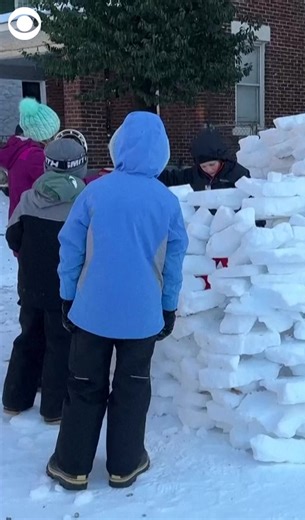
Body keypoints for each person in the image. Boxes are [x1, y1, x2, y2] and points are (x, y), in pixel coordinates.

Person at [46, 112, 188, 491]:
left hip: (91, 311)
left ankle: (71, 466)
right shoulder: (167, 202)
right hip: (142, 316)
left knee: (83, 385)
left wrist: (66, 296)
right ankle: (124, 465)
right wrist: (168, 307)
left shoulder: (94, 191)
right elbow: (173, 262)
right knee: (133, 387)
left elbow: (71, 249)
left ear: (119, 144)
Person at [2, 138, 88, 423]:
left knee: (28, 338)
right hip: (63, 288)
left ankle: (15, 399)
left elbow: (13, 235)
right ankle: (53, 409)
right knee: (59, 343)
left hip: (30, 285)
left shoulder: (29, 197)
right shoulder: (84, 201)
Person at [0, 98, 61, 218]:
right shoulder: (35, 157)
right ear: (44, 135)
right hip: (32, 222)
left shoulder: (21, 150)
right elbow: (56, 187)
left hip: (20, 220)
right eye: (54, 134)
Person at [158, 127, 249, 190]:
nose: (209, 169)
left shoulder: (237, 173)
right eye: (204, 166)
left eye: (212, 164)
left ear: (221, 160)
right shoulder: (195, 174)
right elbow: (172, 178)